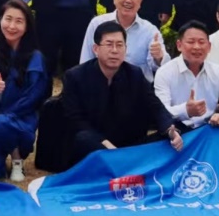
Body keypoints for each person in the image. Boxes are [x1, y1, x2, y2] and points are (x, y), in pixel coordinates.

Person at [62, 21, 183, 165]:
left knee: (172, 134)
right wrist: (106, 144)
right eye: (109, 44)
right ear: (96, 49)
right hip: (96, 144)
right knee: (83, 139)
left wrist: (170, 130)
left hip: (128, 144)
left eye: (119, 45)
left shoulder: (134, 74)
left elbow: (155, 106)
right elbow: (76, 120)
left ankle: (125, 160)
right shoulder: (75, 76)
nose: (115, 50)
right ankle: (122, 162)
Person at [0, 0, 48, 182]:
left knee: (0, 123)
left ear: (27, 26)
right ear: (0, 20)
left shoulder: (35, 57)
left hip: (19, 120)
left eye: (19, 21)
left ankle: (17, 158)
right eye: (8, 19)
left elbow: (34, 95)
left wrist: (6, 117)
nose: (12, 26)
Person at [154, 21, 219, 129]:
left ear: (209, 47)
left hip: (210, 128)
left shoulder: (216, 71)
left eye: (201, 42)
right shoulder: (165, 72)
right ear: (179, 45)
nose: (197, 47)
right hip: (176, 129)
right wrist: (186, 110)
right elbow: (160, 112)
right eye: (191, 42)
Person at [79, 0, 169, 81]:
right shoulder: (97, 24)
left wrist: (159, 57)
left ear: (140, 1)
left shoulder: (150, 30)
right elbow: (85, 60)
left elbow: (162, 66)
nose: (128, 0)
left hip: (137, 88)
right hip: (101, 85)